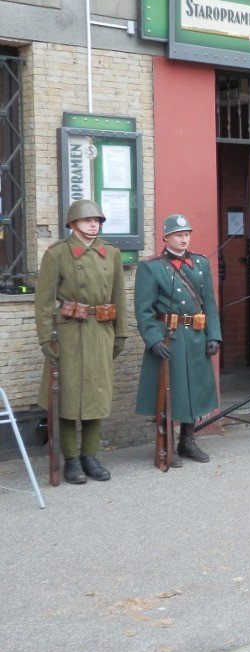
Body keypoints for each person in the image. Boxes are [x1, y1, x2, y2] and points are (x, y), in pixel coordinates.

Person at [34, 200, 128, 484]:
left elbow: (119, 296)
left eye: (97, 220)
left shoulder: (110, 253)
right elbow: (44, 301)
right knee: (68, 396)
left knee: (96, 395)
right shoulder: (57, 254)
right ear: (72, 224)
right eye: (87, 220)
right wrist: (45, 339)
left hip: (100, 331)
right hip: (69, 334)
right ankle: (71, 459)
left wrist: (120, 332)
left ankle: (90, 455)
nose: (93, 225)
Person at [134, 214, 221, 465]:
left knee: (193, 391)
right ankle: (167, 444)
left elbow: (210, 305)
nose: (183, 239)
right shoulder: (151, 267)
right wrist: (153, 339)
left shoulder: (201, 264)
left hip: (195, 335)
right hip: (168, 337)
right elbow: (144, 310)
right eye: (178, 235)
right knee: (168, 392)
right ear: (166, 238)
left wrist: (213, 335)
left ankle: (187, 441)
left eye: (186, 234)